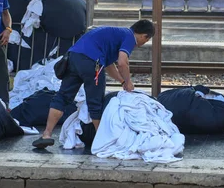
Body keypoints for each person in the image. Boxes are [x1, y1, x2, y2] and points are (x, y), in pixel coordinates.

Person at [32, 19, 156, 149]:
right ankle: (101, 141)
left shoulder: (114, 34)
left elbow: (109, 65)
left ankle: (46, 134)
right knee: (95, 102)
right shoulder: (130, 37)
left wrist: (122, 81)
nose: (142, 44)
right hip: (92, 63)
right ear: (144, 36)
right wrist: (129, 82)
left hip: (73, 58)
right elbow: (122, 62)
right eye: (146, 41)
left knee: (62, 97)